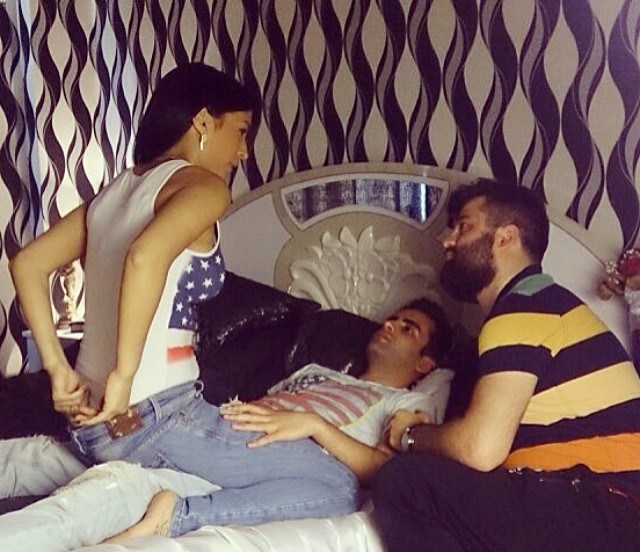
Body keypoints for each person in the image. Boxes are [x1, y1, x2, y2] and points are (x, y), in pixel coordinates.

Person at [0, 299, 452, 550]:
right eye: (393, 317)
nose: (390, 325)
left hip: (280, 465)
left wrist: (312, 424)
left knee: (112, 487)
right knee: (45, 456)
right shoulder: (315, 371)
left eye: (408, 328)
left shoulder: (409, 402)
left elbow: (383, 472)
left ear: (425, 363)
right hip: (233, 443)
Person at [3, 63, 256, 498]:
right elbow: (143, 258)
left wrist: (58, 368)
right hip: (149, 411)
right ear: (202, 122)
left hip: (89, 411)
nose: (244, 151)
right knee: (320, 480)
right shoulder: (206, 188)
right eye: (241, 131)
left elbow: (27, 263)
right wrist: (123, 375)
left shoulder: (119, 189)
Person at [372, 179, 640, 552]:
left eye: (463, 226)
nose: (446, 240)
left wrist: (411, 435)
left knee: (404, 480)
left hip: (609, 507)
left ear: (505, 237)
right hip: (599, 507)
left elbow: (480, 449)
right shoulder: (543, 304)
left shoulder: (524, 308)